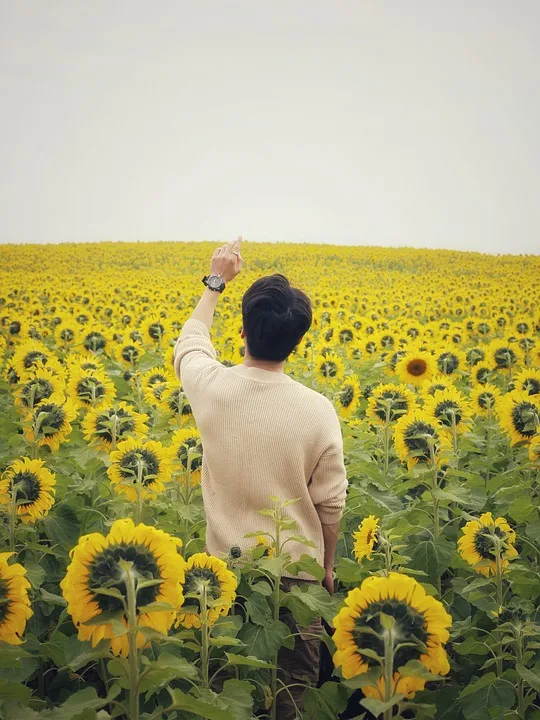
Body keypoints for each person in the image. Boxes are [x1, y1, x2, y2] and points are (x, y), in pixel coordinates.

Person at [173, 236, 348, 718]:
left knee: (224, 695)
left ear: (243, 333)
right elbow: (331, 504)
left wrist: (217, 281)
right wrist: (327, 568)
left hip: (224, 577)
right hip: (297, 580)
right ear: (297, 342)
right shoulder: (318, 411)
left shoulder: (212, 387)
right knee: (290, 697)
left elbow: (189, 343)